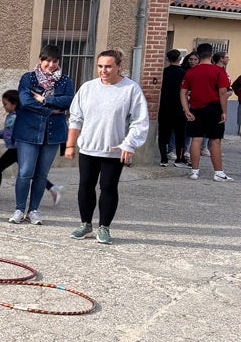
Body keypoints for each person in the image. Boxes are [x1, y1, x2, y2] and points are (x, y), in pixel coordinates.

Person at [64, 50, 149, 244]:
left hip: (114, 149)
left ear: (119, 66)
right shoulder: (88, 88)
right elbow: (76, 117)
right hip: (88, 147)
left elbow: (140, 120)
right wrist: (70, 145)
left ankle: (104, 227)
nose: (104, 70)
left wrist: (130, 143)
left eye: (108, 66)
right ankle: (85, 224)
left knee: (108, 187)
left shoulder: (130, 89)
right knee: (85, 185)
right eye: (100, 66)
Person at [10, 45, 74, 225]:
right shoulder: (28, 79)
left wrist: (45, 99)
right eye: (47, 60)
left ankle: (34, 210)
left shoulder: (65, 81)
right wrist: (52, 110)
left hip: (53, 134)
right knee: (25, 172)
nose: (51, 65)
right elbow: (26, 101)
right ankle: (19, 209)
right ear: (40, 60)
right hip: (28, 131)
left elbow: (68, 101)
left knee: (41, 173)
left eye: (54, 61)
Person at [0, 90, 61, 209]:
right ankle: (53, 188)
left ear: (15, 103)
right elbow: (7, 132)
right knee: (29, 173)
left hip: (17, 148)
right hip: (15, 148)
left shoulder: (20, 116)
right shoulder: (11, 116)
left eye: (5, 104)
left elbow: (16, 131)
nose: (4, 107)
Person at [181, 42, 233, 182]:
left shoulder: (191, 72)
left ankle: (194, 171)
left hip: (196, 108)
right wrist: (224, 111)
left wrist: (186, 110)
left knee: (196, 139)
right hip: (214, 108)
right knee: (215, 141)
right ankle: (218, 173)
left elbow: (183, 92)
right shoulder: (218, 71)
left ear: (198, 55)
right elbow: (223, 92)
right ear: (211, 54)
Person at [156, 48, 187, 166]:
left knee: (163, 134)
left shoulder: (163, 73)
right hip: (180, 107)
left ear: (167, 59)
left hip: (165, 107)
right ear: (179, 59)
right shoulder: (184, 73)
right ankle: (179, 158)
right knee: (180, 135)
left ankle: (163, 159)